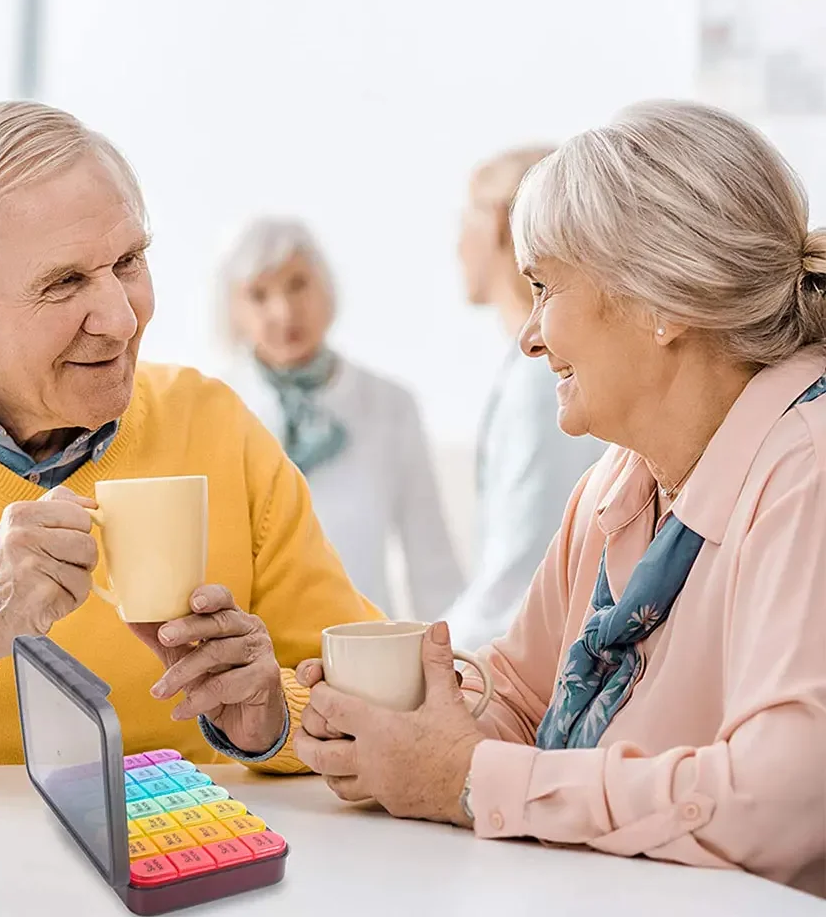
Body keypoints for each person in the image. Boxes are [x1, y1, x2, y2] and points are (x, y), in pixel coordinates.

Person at [293, 99, 826, 894]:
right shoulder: (619, 480)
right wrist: (352, 727)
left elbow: (781, 801)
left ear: (663, 301)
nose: (528, 334)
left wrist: (471, 780)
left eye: (544, 287)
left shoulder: (807, 471)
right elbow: (517, 696)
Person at [0, 101, 378, 768]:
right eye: (64, 283)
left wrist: (270, 721)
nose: (120, 319)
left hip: (176, 856)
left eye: (128, 262)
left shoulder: (215, 426)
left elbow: (364, 706)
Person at [215, 216, 463, 620]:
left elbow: (431, 562)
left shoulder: (391, 405)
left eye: (297, 284)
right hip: (257, 656)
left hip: (365, 648)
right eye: (259, 295)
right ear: (233, 310)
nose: (284, 310)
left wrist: (458, 667)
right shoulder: (218, 407)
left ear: (324, 284)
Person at [446, 148, 607, 647]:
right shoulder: (537, 371)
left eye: (462, 221)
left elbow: (519, 578)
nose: (456, 246)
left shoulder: (544, 380)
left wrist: (421, 661)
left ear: (498, 222)